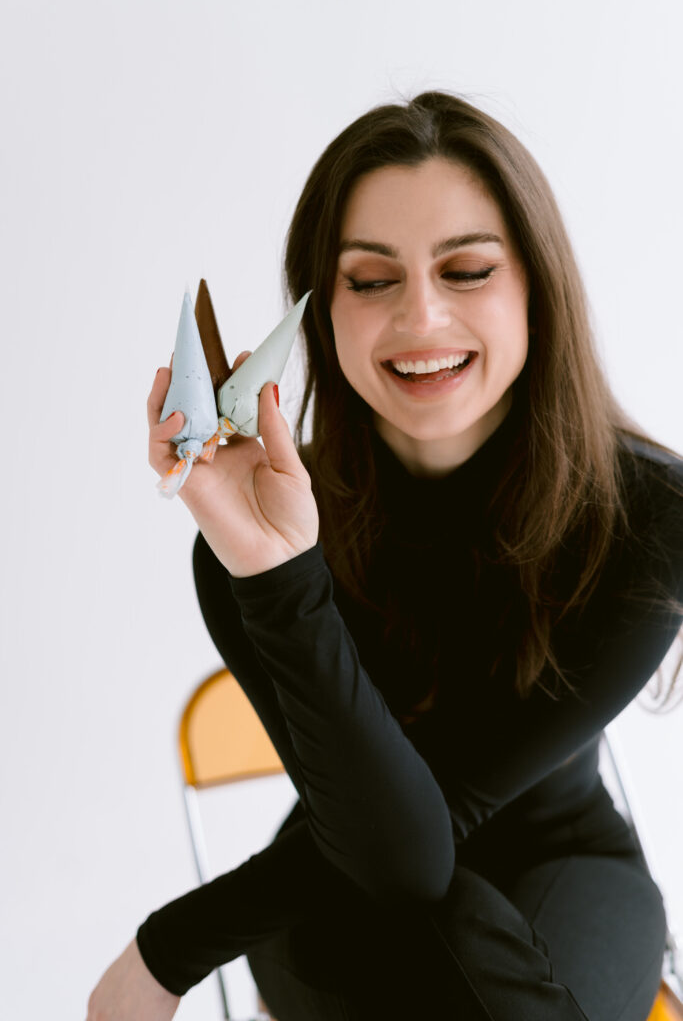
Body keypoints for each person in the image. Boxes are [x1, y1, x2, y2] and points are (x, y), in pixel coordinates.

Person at [87, 92, 683, 1021]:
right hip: (334, 877)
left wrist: (166, 951)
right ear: (321, 313)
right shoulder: (244, 543)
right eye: (370, 281)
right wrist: (274, 566)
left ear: (537, 288)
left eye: (469, 269)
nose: (421, 315)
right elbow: (392, 855)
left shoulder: (647, 519)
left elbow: (431, 837)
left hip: (563, 870)